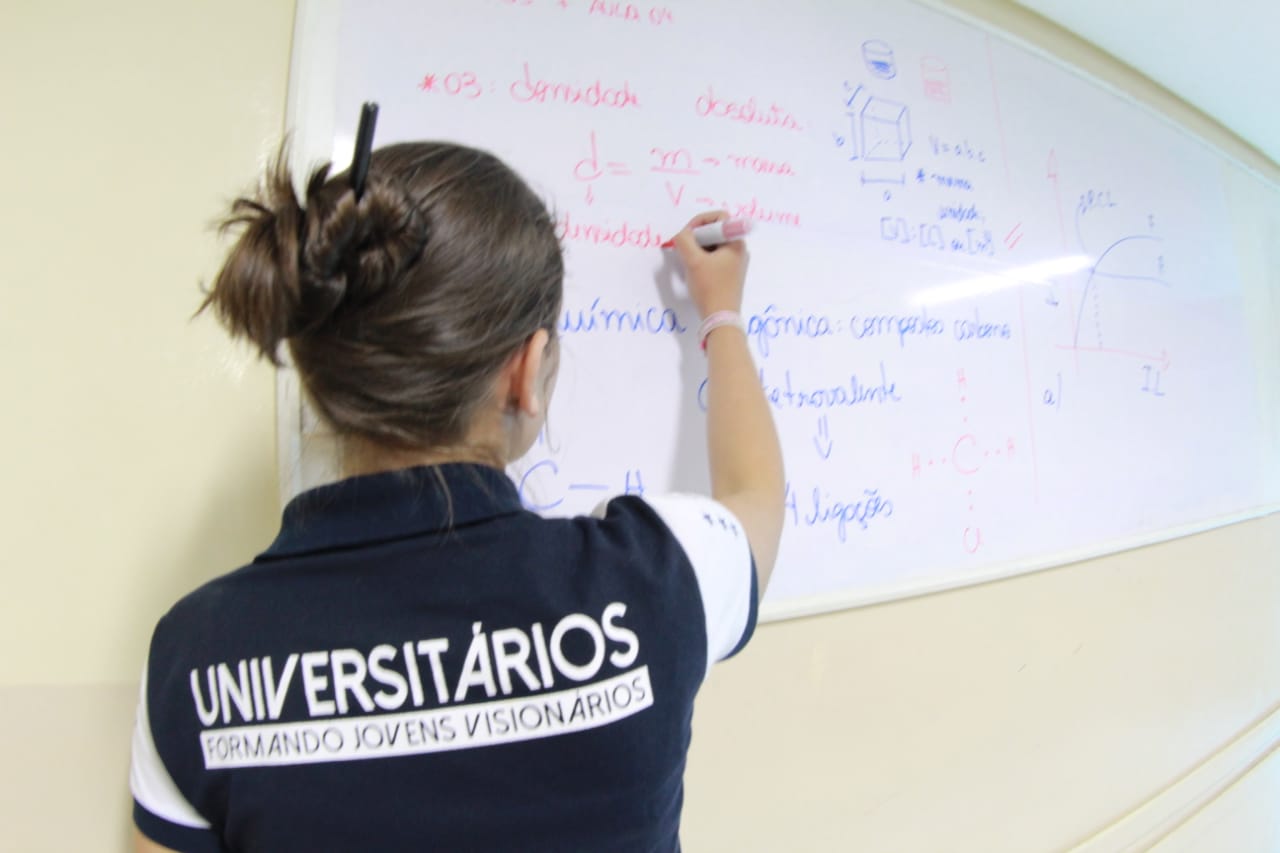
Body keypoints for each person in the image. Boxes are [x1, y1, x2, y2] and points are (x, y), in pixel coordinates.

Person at [129, 139, 784, 852]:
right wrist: (722, 313)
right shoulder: (658, 578)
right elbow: (755, 495)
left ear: (325, 382)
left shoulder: (194, 657)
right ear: (527, 373)